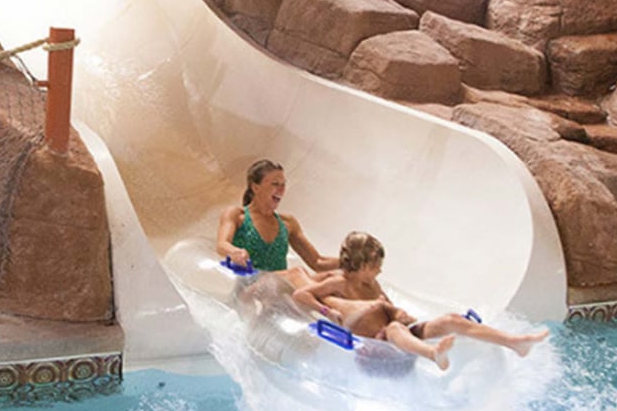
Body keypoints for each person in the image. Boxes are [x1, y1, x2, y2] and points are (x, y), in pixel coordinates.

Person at [293, 232, 549, 371]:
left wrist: (401, 314)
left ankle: (515, 342)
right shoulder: (338, 282)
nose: (379, 271)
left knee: (450, 320)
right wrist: (326, 310)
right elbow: (301, 295)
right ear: (359, 265)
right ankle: (431, 354)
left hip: (397, 337)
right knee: (393, 328)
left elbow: (390, 311)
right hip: (372, 349)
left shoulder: (372, 284)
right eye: (375, 267)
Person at [217, 159, 338, 288]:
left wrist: (354, 261)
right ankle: (331, 308)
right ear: (255, 187)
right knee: (297, 273)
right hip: (250, 292)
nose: (281, 189)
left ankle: (340, 308)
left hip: (277, 295)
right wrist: (234, 251)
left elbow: (317, 262)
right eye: (275, 184)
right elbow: (222, 244)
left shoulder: (288, 223)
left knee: (331, 278)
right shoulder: (237, 215)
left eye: (283, 184)